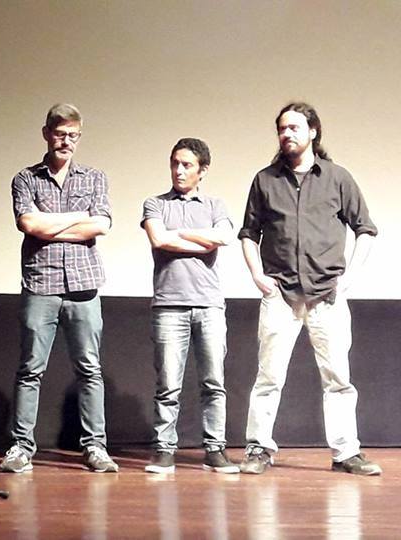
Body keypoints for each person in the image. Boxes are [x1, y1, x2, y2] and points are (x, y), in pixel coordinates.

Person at [238, 102, 381, 476]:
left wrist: (349, 278)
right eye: (282, 129)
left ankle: (346, 452)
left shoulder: (337, 178)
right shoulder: (265, 180)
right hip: (281, 294)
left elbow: (365, 229)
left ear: (314, 131)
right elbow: (249, 234)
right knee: (268, 376)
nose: (287, 134)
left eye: (294, 128)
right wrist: (258, 276)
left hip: (326, 295)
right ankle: (258, 448)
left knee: (338, 378)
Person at [1, 103, 119, 474]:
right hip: (41, 284)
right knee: (30, 369)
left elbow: (100, 225)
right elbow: (29, 226)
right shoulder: (26, 178)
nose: (66, 141)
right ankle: (21, 447)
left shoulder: (95, 178)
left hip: (84, 287)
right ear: (46, 133)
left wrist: (51, 223)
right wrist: (76, 220)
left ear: (79, 137)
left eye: (73, 135)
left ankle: (95, 447)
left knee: (90, 370)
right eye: (59, 133)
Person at [141, 138, 238, 474]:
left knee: (214, 383)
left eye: (187, 165)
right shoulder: (155, 204)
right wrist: (202, 239)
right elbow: (159, 239)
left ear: (202, 170)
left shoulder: (215, 204)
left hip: (210, 306)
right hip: (169, 305)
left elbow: (224, 237)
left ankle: (215, 450)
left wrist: (179, 233)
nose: (179, 170)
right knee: (168, 384)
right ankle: (164, 450)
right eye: (175, 163)